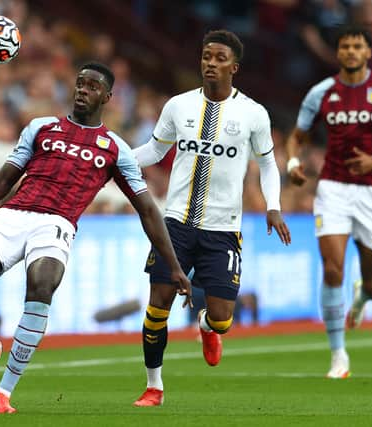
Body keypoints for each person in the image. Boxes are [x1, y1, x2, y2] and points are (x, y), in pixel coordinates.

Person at [0, 62, 191, 414]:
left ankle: (4, 391)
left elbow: (148, 210)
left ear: (107, 97)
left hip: (57, 224)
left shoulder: (116, 149)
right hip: (15, 213)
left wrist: (175, 266)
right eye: (79, 84)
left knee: (41, 285)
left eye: (92, 86)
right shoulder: (41, 127)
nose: (82, 90)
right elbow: (4, 180)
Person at [131, 30, 291, 407]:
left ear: (233, 67)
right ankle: (154, 387)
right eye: (206, 56)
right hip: (175, 224)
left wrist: (274, 204)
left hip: (223, 229)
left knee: (222, 318)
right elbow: (155, 150)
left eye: (219, 58)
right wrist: (113, 161)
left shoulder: (253, 113)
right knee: (157, 306)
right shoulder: (178, 106)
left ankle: (206, 328)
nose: (210, 64)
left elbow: (268, 164)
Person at [285, 24, 372, 379]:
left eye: (357, 46)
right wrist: (293, 162)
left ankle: (362, 298)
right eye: (344, 46)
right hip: (333, 189)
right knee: (332, 270)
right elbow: (297, 137)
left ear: (368, 52)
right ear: (338, 52)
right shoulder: (322, 93)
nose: (350, 52)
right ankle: (338, 355)